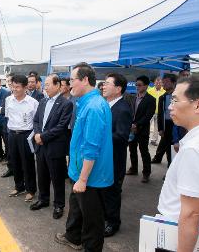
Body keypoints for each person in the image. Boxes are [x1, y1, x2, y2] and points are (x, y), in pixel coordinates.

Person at [55, 63, 113, 251]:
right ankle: (73, 237)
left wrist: (83, 179)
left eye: (72, 80)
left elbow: (91, 147)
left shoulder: (94, 107)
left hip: (90, 177)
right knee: (77, 208)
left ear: (85, 80)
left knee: (92, 219)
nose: (69, 84)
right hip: (79, 172)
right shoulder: (86, 102)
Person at [157, 75, 199, 252]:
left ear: (198, 105)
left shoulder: (195, 149)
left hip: (179, 237)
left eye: (175, 100)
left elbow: (191, 213)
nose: (170, 107)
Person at [30, 74, 72, 220]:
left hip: (55, 146)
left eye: (47, 84)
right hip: (40, 146)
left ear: (57, 85)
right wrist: (37, 134)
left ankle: (59, 205)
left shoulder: (66, 103)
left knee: (57, 178)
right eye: (45, 85)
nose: (44, 87)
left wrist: (42, 136)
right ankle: (43, 199)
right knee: (42, 175)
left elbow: (61, 127)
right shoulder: (42, 101)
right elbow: (36, 121)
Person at [102, 73, 133, 237]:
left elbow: (121, 137)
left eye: (107, 83)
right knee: (104, 191)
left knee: (113, 192)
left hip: (114, 159)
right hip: (103, 158)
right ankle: (105, 217)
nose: (103, 86)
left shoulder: (123, 109)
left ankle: (113, 223)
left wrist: (100, 135)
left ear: (118, 88)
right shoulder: (105, 105)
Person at [6, 74, 39, 202]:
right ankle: (19, 186)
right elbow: (8, 117)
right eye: (13, 86)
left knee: (28, 163)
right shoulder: (8, 100)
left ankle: (31, 190)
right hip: (12, 135)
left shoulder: (33, 103)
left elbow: (36, 121)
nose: (15, 89)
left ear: (25, 87)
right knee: (15, 162)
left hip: (26, 136)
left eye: (18, 87)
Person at [126, 75, 156, 183]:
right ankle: (133, 168)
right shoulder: (134, 97)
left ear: (146, 86)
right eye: (136, 85)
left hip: (142, 129)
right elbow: (131, 112)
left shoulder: (151, 99)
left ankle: (146, 173)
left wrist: (137, 124)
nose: (137, 87)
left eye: (139, 85)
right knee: (132, 150)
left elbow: (148, 116)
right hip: (131, 129)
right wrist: (131, 124)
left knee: (144, 151)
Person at [152, 74, 178, 167]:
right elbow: (160, 114)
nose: (164, 84)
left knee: (177, 148)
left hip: (177, 125)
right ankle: (169, 167)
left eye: (167, 82)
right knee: (168, 148)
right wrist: (160, 129)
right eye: (164, 82)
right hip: (166, 125)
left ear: (174, 83)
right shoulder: (162, 97)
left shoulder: (178, 96)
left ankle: (174, 167)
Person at [0, 73, 14, 178]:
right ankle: (11, 169)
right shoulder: (7, 95)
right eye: (7, 82)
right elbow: (2, 110)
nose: (8, 84)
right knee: (9, 150)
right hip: (7, 126)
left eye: (10, 81)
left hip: (19, 130)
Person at [147, 76, 165, 146]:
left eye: (160, 82)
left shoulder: (164, 91)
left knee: (157, 127)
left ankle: (154, 140)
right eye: (156, 82)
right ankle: (146, 137)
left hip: (159, 113)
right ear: (154, 83)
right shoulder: (150, 90)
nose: (158, 84)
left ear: (162, 83)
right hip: (150, 112)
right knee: (147, 126)